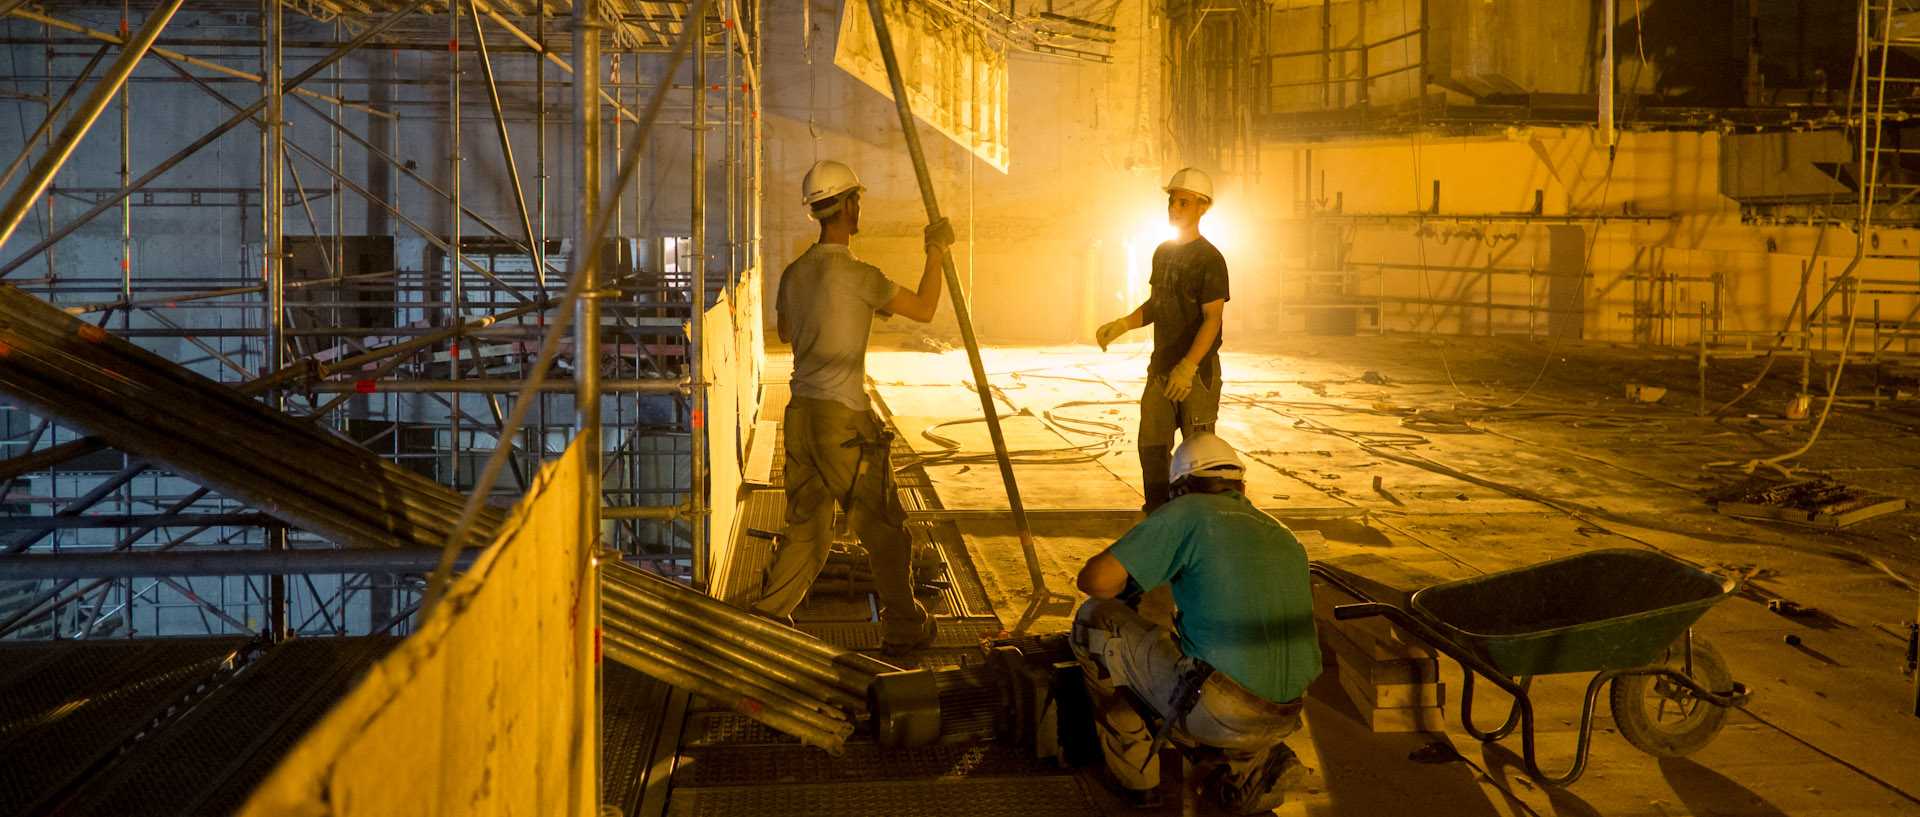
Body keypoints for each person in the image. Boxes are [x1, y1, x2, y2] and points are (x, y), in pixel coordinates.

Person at [751, 159, 955, 656]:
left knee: (807, 534)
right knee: (884, 533)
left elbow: (785, 331)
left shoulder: (794, 273)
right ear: (846, 206)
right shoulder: (859, 275)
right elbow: (925, 308)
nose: (859, 206)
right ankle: (906, 627)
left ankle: (763, 627)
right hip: (844, 422)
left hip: (800, 417)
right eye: (856, 199)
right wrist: (936, 251)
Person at [1070, 432, 1321, 813]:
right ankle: (1250, 765)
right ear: (1242, 485)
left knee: (1094, 619)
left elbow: (1095, 581)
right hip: (1288, 710)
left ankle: (1139, 779)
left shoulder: (1186, 512)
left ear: (1179, 490)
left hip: (1219, 710)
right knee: (1210, 639)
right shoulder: (1283, 534)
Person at [1095, 167, 1230, 513]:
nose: (1174, 208)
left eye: (1184, 202)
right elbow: (1158, 304)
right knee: (1151, 447)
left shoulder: (1210, 259)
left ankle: (1200, 519)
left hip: (1195, 375)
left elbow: (1212, 318)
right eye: (1172, 201)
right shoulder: (1163, 252)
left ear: (1203, 207)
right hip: (1161, 370)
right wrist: (1123, 323)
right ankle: (1158, 514)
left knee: (1199, 454)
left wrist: (1188, 367)